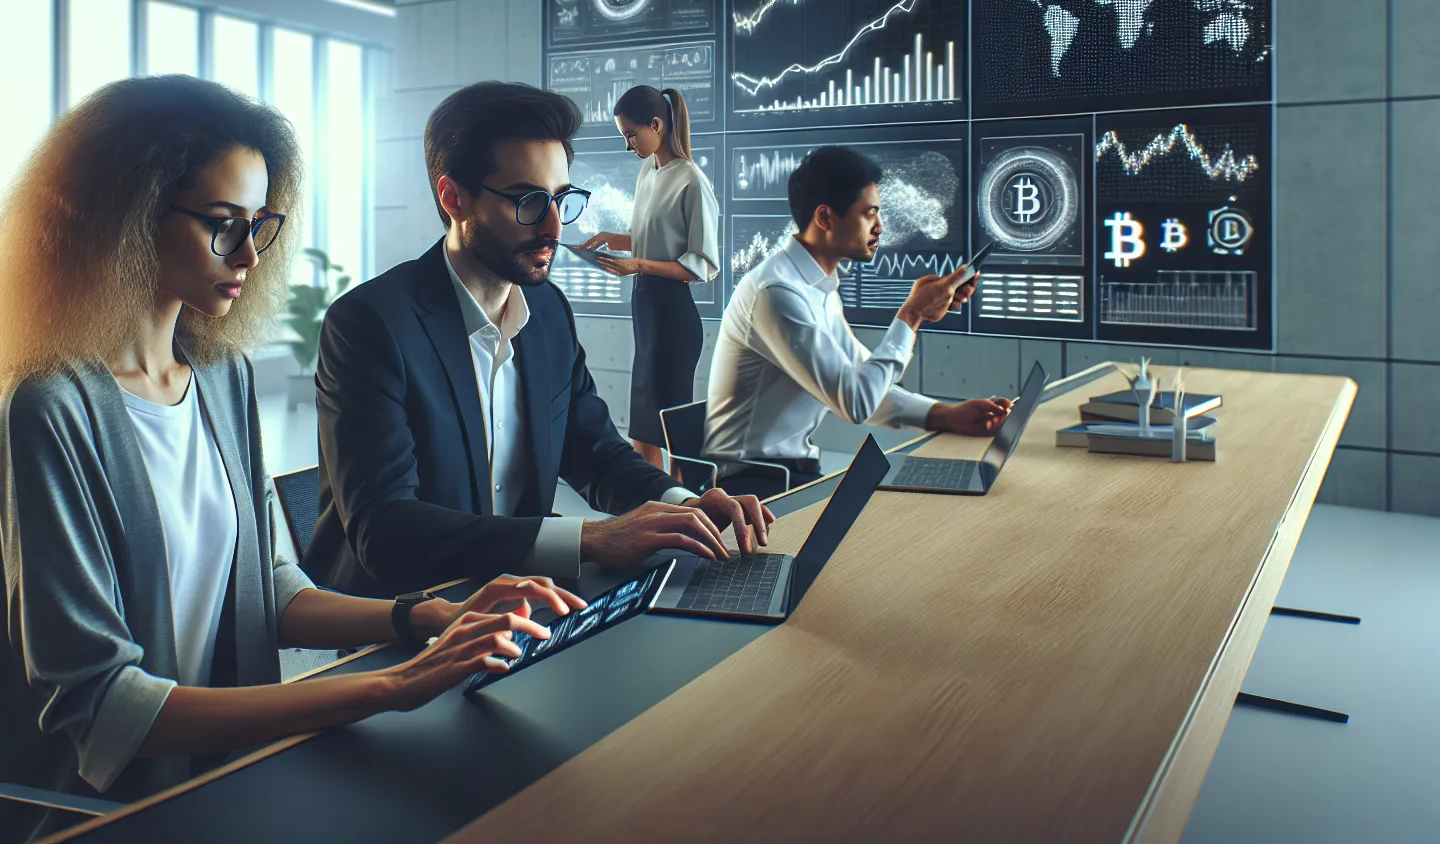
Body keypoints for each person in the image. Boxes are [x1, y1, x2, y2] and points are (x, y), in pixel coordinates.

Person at [0, 75, 583, 843]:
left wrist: (426, 617)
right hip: (110, 814)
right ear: (127, 220)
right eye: (223, 225)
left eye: (259, 224)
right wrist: (390, 685)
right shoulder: (49, 410)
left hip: (232, 784)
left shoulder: (220, 377)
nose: (250, 253)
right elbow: (106, 706)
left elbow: (269, 590)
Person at [304, 81, 771, 599]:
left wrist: (684, 503)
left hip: (519, 602)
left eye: (560, 199)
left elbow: (594, 449)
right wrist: (587, 539)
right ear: (453, 197)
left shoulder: (546, 310)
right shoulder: (370, 324)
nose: (553, 227)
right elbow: (386, 532)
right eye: (528, 201)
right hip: (400, 623)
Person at [704, 146, 1013, 501]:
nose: (880, 227)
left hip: (789, 474)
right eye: (869, 214)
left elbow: (861, 380)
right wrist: (911, 316)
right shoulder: (777, 294)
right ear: (825, 218)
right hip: (756, 489)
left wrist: (944, 414)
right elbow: (856, 402)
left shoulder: (816, 285)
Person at [576, 85, 720, 471]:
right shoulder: (648, 171)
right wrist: (614, 239)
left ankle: (687, 514)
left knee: (673, 433)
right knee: (642, 429)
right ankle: (657, 511)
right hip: (645, 313)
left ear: (656, 124)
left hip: (673, 316)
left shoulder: (692, 181)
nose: (627, 145)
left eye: (630, 134)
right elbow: (655, 240)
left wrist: (637, 264)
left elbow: (699, 265)